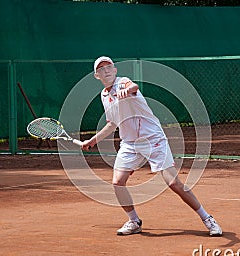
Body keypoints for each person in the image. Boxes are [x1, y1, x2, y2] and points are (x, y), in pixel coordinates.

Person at [81, 56, 222, 236]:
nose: (106, 70)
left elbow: (133, 87)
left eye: (109, 67)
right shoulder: (104, 96)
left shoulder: (123, 82)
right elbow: (112, 123)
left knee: (174, 183)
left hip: (153, 139)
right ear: (96, 75)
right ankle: (134, 221)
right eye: (101, 69)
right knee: (117, 182)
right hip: (130, 143)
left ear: (115, 70)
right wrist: (93, 140)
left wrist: (127, 90)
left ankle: (208, 219)